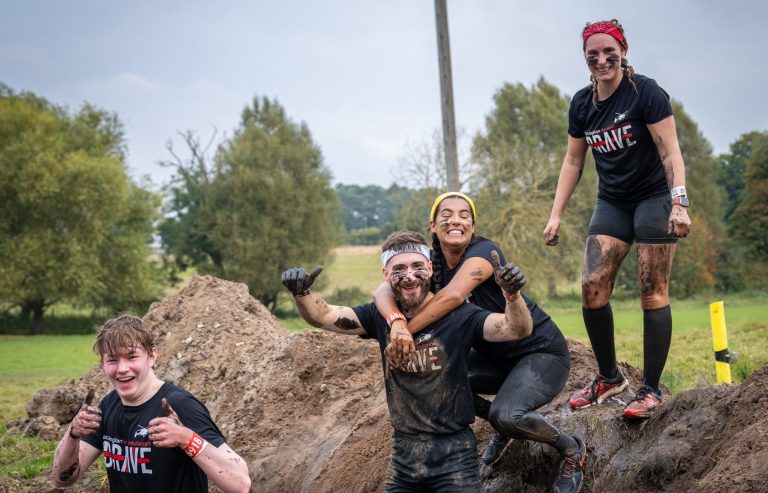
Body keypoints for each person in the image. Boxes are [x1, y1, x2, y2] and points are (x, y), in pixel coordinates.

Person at [282, 230, 532, 492]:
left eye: (417, 266)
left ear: (430, 269)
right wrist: (303, 293)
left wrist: (512, 296)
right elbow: (323, 316)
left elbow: (515, 329)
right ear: (386, 275)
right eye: (399, 268)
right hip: (404, 458)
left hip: (455, 456)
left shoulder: (459, 316)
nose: (409, 275)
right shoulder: (378, 317)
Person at [377, 192, 585, 493]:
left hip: (539, 351)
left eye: (465, 215)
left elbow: (453, 297)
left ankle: (571, 449)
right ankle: (505, 428)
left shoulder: (485, 251)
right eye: (446, 214)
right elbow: (382, 290)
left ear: (473, 226)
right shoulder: (431, 264)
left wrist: (404, 331)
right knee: (443, 382)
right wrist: (395, 322)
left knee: (507, 414)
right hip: (493, 357)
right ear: (433, 225)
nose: (456, 220)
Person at [543, 19, 692, 419]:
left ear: (623, 51)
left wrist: (680, 202)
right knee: (592, 285)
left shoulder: (646, 92)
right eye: (593, 55)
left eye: (609, 52)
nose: (602, 59)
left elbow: (670, 152)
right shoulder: (581, 103)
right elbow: (573, 160)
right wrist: (555, 215)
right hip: (612, 201)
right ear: (585, 59)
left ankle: (651, 389)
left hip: (654, 198)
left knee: (651, 289)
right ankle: (609, 378)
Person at [50, 314, 251, 493]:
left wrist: (186, 438)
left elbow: (240, 484)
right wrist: (73, 433)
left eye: (132, 357)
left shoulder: (179, 405)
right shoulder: (108, 406)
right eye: (112, 360)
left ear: (152, 355)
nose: (122, 369)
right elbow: (62, 479)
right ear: (102, 364)